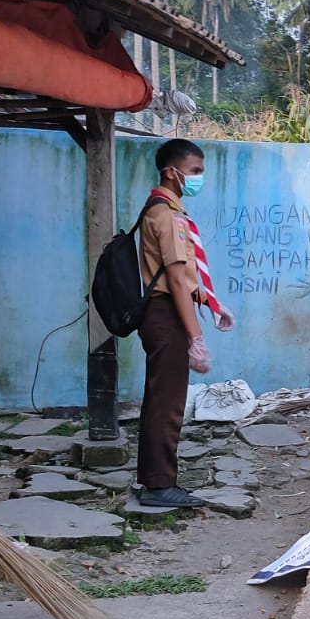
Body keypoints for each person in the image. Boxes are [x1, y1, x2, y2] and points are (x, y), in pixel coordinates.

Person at [135, 139, 235, 509]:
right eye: (194, 172)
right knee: (168, 401)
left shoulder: (165, 209)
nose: (198, 179)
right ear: (171, 172)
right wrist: (196, 336)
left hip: (166, 309)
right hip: (166, 313)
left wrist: (210, 301)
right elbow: (175, 279)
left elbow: (184, 277)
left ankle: (154, 478)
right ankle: (159, 486)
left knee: (162, 396)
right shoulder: (166, 215)